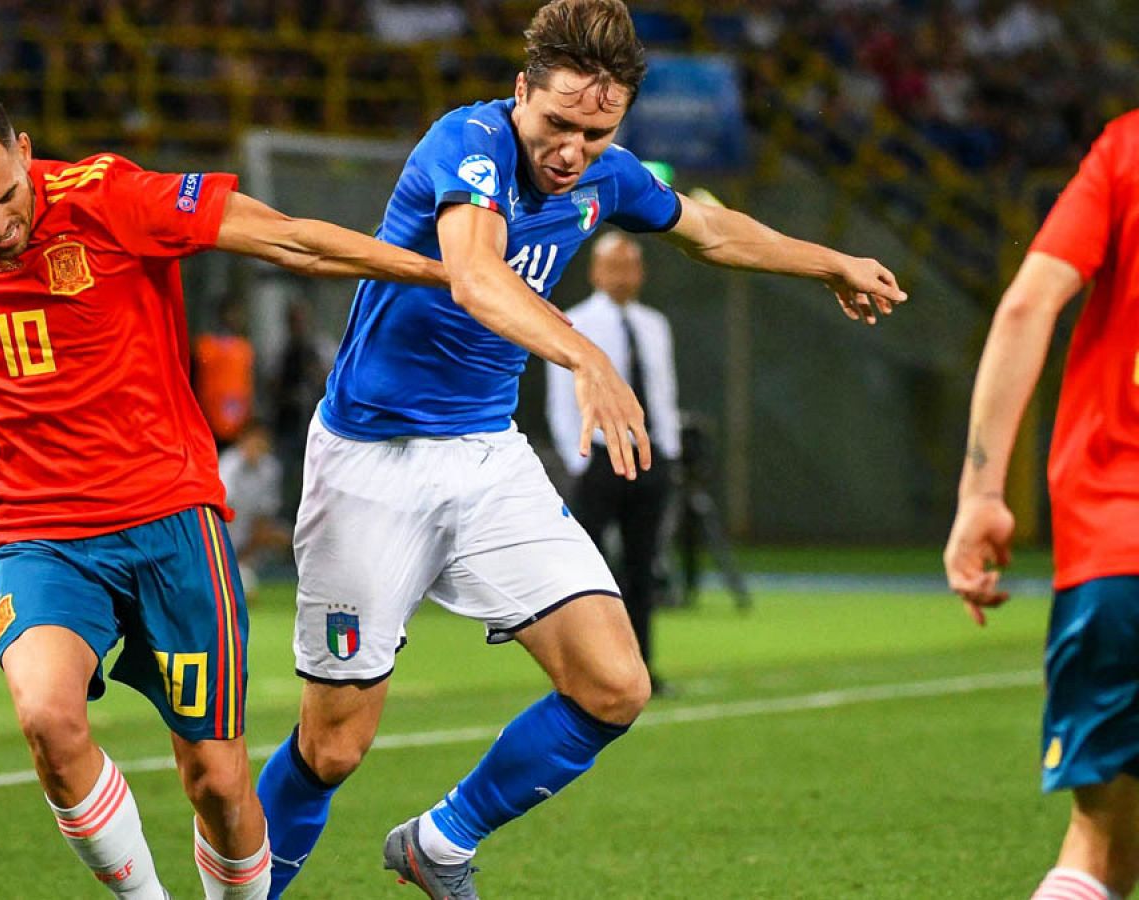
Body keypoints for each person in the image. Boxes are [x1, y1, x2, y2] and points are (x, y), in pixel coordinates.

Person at [0, 82, 443, 900]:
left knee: (218, 784)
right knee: (48, 723)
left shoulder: (110, 196)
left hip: (169, 518)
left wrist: (440, 274)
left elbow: (291, 243)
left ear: (23, 150)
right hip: (38, 528)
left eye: (3, 199)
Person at [253, 2, 907, 896]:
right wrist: (586, 353)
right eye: (558, 122)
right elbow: (478, 277)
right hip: (372, 459)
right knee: (333, 748)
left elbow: (711, 230)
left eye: (596, 133)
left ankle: (440, 843)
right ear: (523, 91)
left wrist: (829, 259)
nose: (572, 149)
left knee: (613, 684)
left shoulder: (608, 177)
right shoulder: (468, 144)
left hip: (485, 455)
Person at [943, 109, 1139, 900]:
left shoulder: (1128, 146)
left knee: (1099, 849)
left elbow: (1027, 306)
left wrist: (982, 492)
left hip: (1116, 552)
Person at [545, 232, 679, 695]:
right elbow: (561, 399)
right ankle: (584, 669)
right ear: (596, 272)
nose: (624, 275)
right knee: (588, 571)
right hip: (599, 459)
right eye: (615, 266)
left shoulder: (655, 325)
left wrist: (668, 452)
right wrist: (578, 461)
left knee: (643, 569)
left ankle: (640, 671)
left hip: (647, 458)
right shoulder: (574, 322)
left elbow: (662, 392)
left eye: (631, 266)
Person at [217, 420, 290, 602]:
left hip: (250, 540)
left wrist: (245, 555)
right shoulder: (227, 466)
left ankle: (257, 572)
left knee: (285, 535)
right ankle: (225, 569)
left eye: (261, 442)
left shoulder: (271, 468)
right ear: (243, 440)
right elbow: (221, 515)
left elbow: (264, 519)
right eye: (253, 441)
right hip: (224, 536)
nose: (257, 446)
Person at [193, 296, 256, 446]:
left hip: (238, 420)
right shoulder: (204, 346)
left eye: (236, 314)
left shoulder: (244, 349)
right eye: (230, 313)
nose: (233, 319)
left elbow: (249, 383)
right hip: (208, 417)